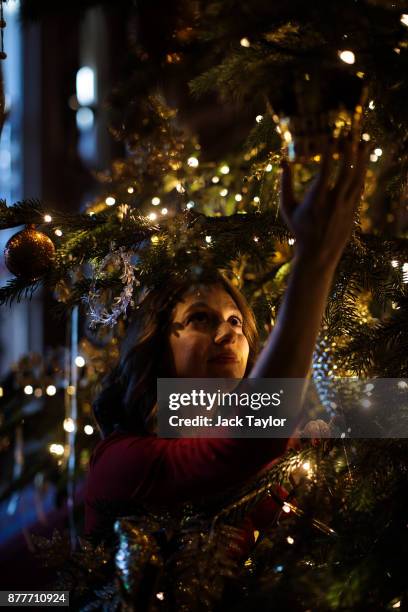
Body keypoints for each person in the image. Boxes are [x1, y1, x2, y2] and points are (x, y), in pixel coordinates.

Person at [85, 137, 369, 543]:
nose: (229, 333)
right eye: (201, 318)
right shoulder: (122, 461)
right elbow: (237, 449)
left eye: (237, 321)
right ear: (154, 343)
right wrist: (315, 260)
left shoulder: (270, 452)